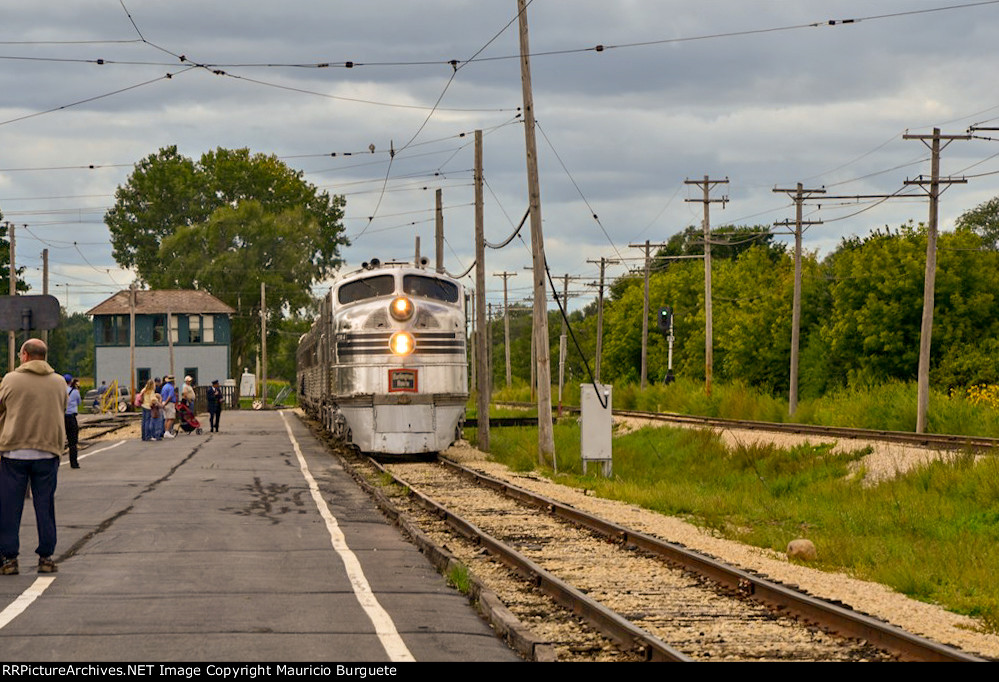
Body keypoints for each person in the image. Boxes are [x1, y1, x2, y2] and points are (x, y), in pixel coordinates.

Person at [0, 339, 67, 575]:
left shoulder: (10, 379)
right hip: (47, 451)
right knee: (44, 505)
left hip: (14, 452)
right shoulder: (59, 382)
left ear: (25, 355)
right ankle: (46, 557)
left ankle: (9, 559)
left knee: (9, 507)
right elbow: (62, 408)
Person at [65, 376, 82, 468]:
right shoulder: (75, 392)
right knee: (73, 442)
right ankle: (74, 463)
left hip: (61, 417)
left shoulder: (60, 391)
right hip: (71, 417)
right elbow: (79, 402)